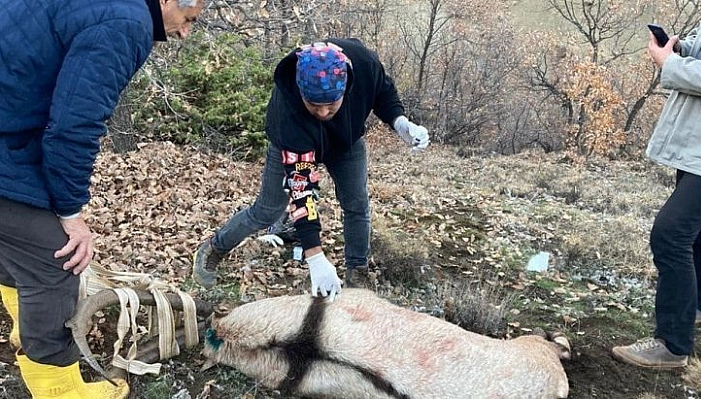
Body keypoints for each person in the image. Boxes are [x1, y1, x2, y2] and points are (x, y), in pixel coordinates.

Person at [0, 0, 203, 397]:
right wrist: (70, 211)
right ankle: (59, 389)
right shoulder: (125, 23)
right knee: (56, 258)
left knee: (17, 237)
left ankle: (28, 329)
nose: (184, 32)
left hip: (11, 133)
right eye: (188, 19)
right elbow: (74, 127)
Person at [192, 39, 429, 300]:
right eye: (314, 105)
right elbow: (302, 189)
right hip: (294, 144)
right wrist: (315, 257)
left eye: (331, 104)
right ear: (302, 91)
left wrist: (400, 122)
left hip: (345, 143)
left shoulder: (363, 64)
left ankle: (357, 272)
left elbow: (382, 91)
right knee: (267, 210)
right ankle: (214, 248)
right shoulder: (288, 112)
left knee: (356, 204)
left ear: (346, 86)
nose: (324, 112)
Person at [612, 18, 701, 369]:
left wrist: (670, 63)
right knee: (700, 232)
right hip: (700, 144)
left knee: (671, 234)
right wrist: (681, 48)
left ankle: (672, 344)